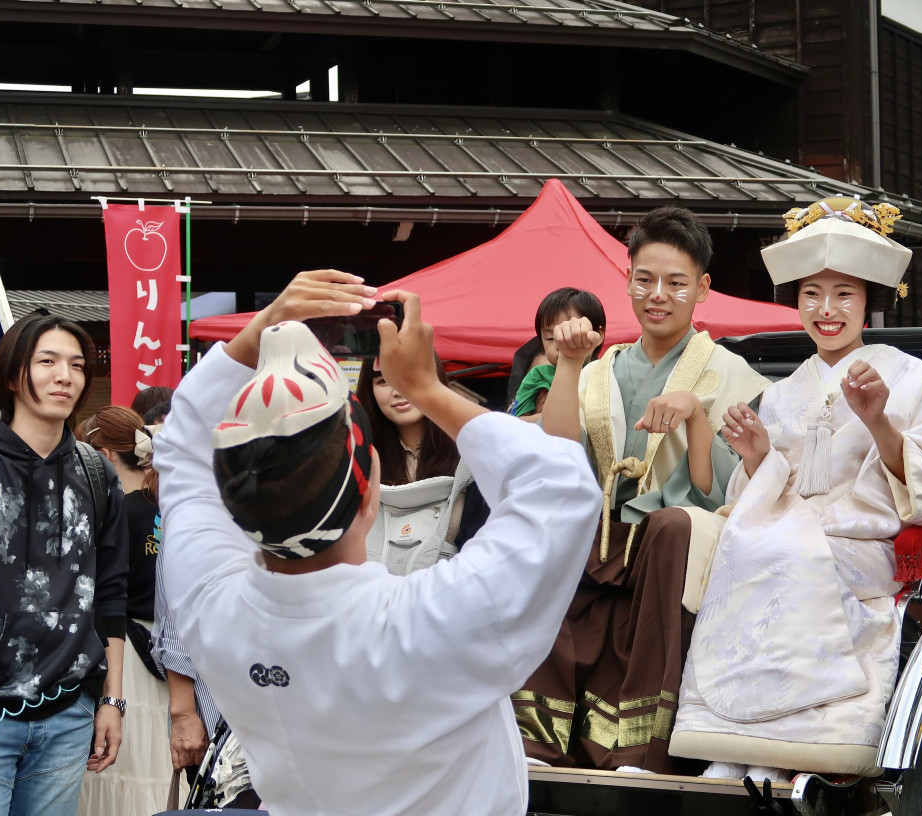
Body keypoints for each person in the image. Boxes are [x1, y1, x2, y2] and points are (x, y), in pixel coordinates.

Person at [153, 269, 600, 816]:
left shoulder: (213, 610)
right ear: (371, 494)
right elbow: (562, 485)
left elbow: (180, 448)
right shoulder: (425, 623)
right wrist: (429, 388)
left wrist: (265, 328)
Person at [668, 197, 922, 780]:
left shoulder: (910, 377)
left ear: (869, 302)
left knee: (789, 556)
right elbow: (763, 491)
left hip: (863, 539)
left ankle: (800, 747)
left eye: (843, 295)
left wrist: (879, 418)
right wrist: (756, 454)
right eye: (811, 294)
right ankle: (737, 742)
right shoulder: (784, 391)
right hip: (789, 531)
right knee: (744, 549)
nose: (826, 310)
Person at [514, 207, 769, 774]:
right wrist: (570, 365)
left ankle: (642, 745)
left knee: (668, 526)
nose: (658, 295)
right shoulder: (601, 370)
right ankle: (537, 739)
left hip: (683, 535)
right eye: (645, 280)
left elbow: (722, 488)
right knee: (547, 521)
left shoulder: (731, 375)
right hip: (605, 534)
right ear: (627, 279)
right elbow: (556, 450)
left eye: (676, 283)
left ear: (703, 289)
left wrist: (697, 416)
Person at [0, 311, 128, 815]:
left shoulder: (97, 474)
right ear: (12, 375)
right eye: (46, 361)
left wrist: (111, 701)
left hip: (70, 713)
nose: (64, 376)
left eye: (76, 364)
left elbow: (110, 594)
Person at [77, 407, 178, 814]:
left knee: (116, 770)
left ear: (105, 454)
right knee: (156, 770)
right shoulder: (167, 508)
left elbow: (106, 592)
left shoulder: (112, 513)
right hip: (169, 659)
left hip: (125, 655)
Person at [356, 354, 488, 575]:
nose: (397, 390)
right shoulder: (360, 461)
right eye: (383, 381)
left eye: (408, 375)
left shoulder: (471, 453)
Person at [511, 288, 606, 419]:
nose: (560, 343)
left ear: (599, 334)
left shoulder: (607, 373)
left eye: (572, 333)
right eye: (550, 338)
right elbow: (517, 423)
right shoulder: (537, 376)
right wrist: (548, 419)